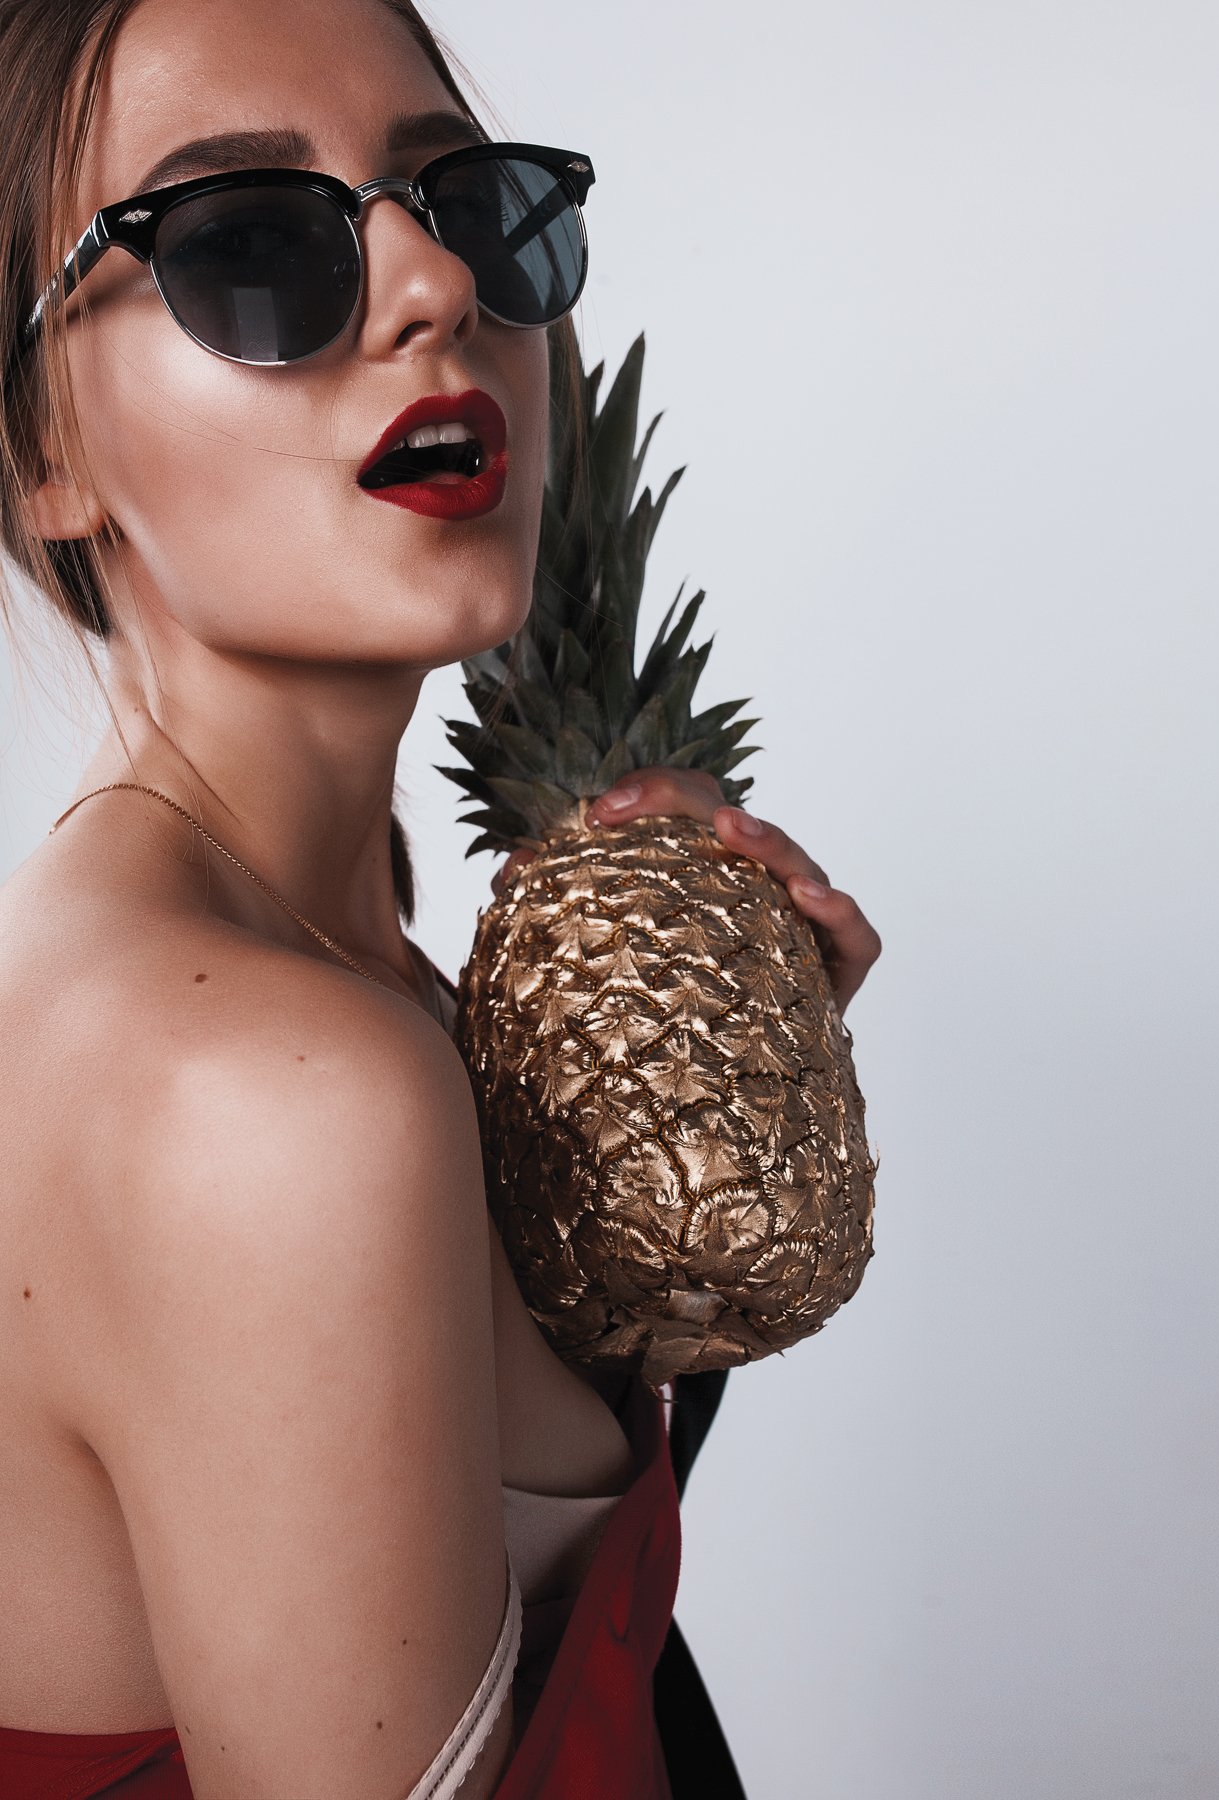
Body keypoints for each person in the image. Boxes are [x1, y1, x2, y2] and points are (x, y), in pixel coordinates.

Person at [0, 0, 883, 1794]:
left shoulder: (316, 985)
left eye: (467, 203)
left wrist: (658, 1193)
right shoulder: (268, 1087)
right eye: (248, 243)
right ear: (43, 457)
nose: (431, 286)